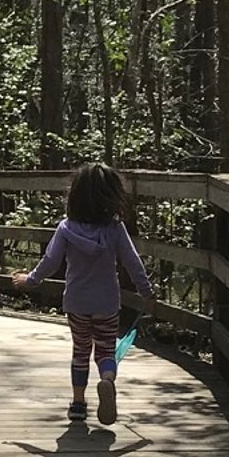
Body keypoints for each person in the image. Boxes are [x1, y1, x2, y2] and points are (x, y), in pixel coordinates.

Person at [22, 163, 153, 423]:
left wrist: (31, 279)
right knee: (105, 351)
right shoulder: (115, 230)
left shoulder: (66, 229)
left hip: (76, 302)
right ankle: (107, 380)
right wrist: (146, 290)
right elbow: (132, 262)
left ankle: (78, 404)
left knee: (80, 351)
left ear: (75, 196)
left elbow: (50, 261)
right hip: (106, 302)